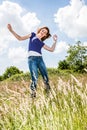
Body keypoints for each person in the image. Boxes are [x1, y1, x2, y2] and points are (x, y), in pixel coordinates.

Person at [7, 24, 57, 97]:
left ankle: (48, 95)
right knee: (35, 77)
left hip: (40, 60)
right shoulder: (32, 35)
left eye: (45, 32)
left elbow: (51, 49)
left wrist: (55, 41)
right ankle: (33, 96)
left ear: (45, 35)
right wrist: (11, 31)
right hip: (32, 60)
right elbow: (20, 38)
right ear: (40, 30)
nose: (43, 32)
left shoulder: (42, 43)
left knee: (45, 77)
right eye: (43, 30)